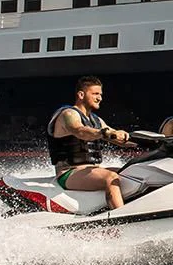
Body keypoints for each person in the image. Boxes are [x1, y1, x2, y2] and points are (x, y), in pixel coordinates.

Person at [48, 76, 133, 209]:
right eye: (95, 94)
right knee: (110, 177)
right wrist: (104, 133)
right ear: (81, 94)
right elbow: (80, 131)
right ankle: (121, 218)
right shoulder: (68, 114)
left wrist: (152, 142)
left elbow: (117, 137)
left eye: (100, 94)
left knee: (132, 172)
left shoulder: (96, 120)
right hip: (69, 173)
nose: (100, 98)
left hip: (93, 170)